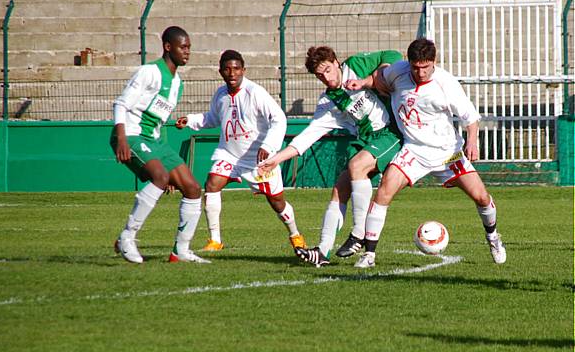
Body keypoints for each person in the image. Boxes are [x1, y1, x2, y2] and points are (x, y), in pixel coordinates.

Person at [345, 38, 507, 268]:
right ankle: (369, 255)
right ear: (409, 63)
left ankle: (493, 237)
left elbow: (470, 119)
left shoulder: (446, 83)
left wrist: (472, 143)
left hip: (447, 153)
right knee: (384, 192)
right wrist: (362, 82)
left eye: (426, 67)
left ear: (434, 62)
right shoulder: (399, 71)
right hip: (413, 151)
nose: (420, 72)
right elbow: (378, 79)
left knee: (481, 197)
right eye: (416, 67)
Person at [258, 46, 403, 267]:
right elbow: (308, 136)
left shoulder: (356, 65)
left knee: (356, 166)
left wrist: (377, 74)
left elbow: (392, 55)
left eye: (327, 70)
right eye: (319, 75)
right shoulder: (328, 102)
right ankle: (322, 252)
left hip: (391, 131)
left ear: (336, 62)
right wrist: (276, 159)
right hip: (366, 140)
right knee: (339, 190)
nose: (326, 78)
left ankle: (359, 233)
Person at [175, 50, 307, 254]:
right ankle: (215, 240)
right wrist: (190, 120)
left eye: (236, 69)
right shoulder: (220, 95)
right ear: (220, 72)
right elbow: (212, 118)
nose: (232, 73)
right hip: (229, 154)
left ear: (243, 70)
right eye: (227, 69)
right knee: (212, 183)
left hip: (258, 159)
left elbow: (279, 118)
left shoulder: (255, 92)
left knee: (277, 202)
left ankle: (295, 235)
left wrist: (269, 146)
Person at [110, 26, 209, 264]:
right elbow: (121, 105)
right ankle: (127, 236)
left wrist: (166, 163)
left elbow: (159, 121)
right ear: (168, 47)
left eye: (189, 48)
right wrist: (121, 138)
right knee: (160, 178)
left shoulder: (177, 83)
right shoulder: (149, 72)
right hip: (131, 135)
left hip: (154, 140)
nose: (187, 52)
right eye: (182, 47)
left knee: (193, 188)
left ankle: (180, 252)